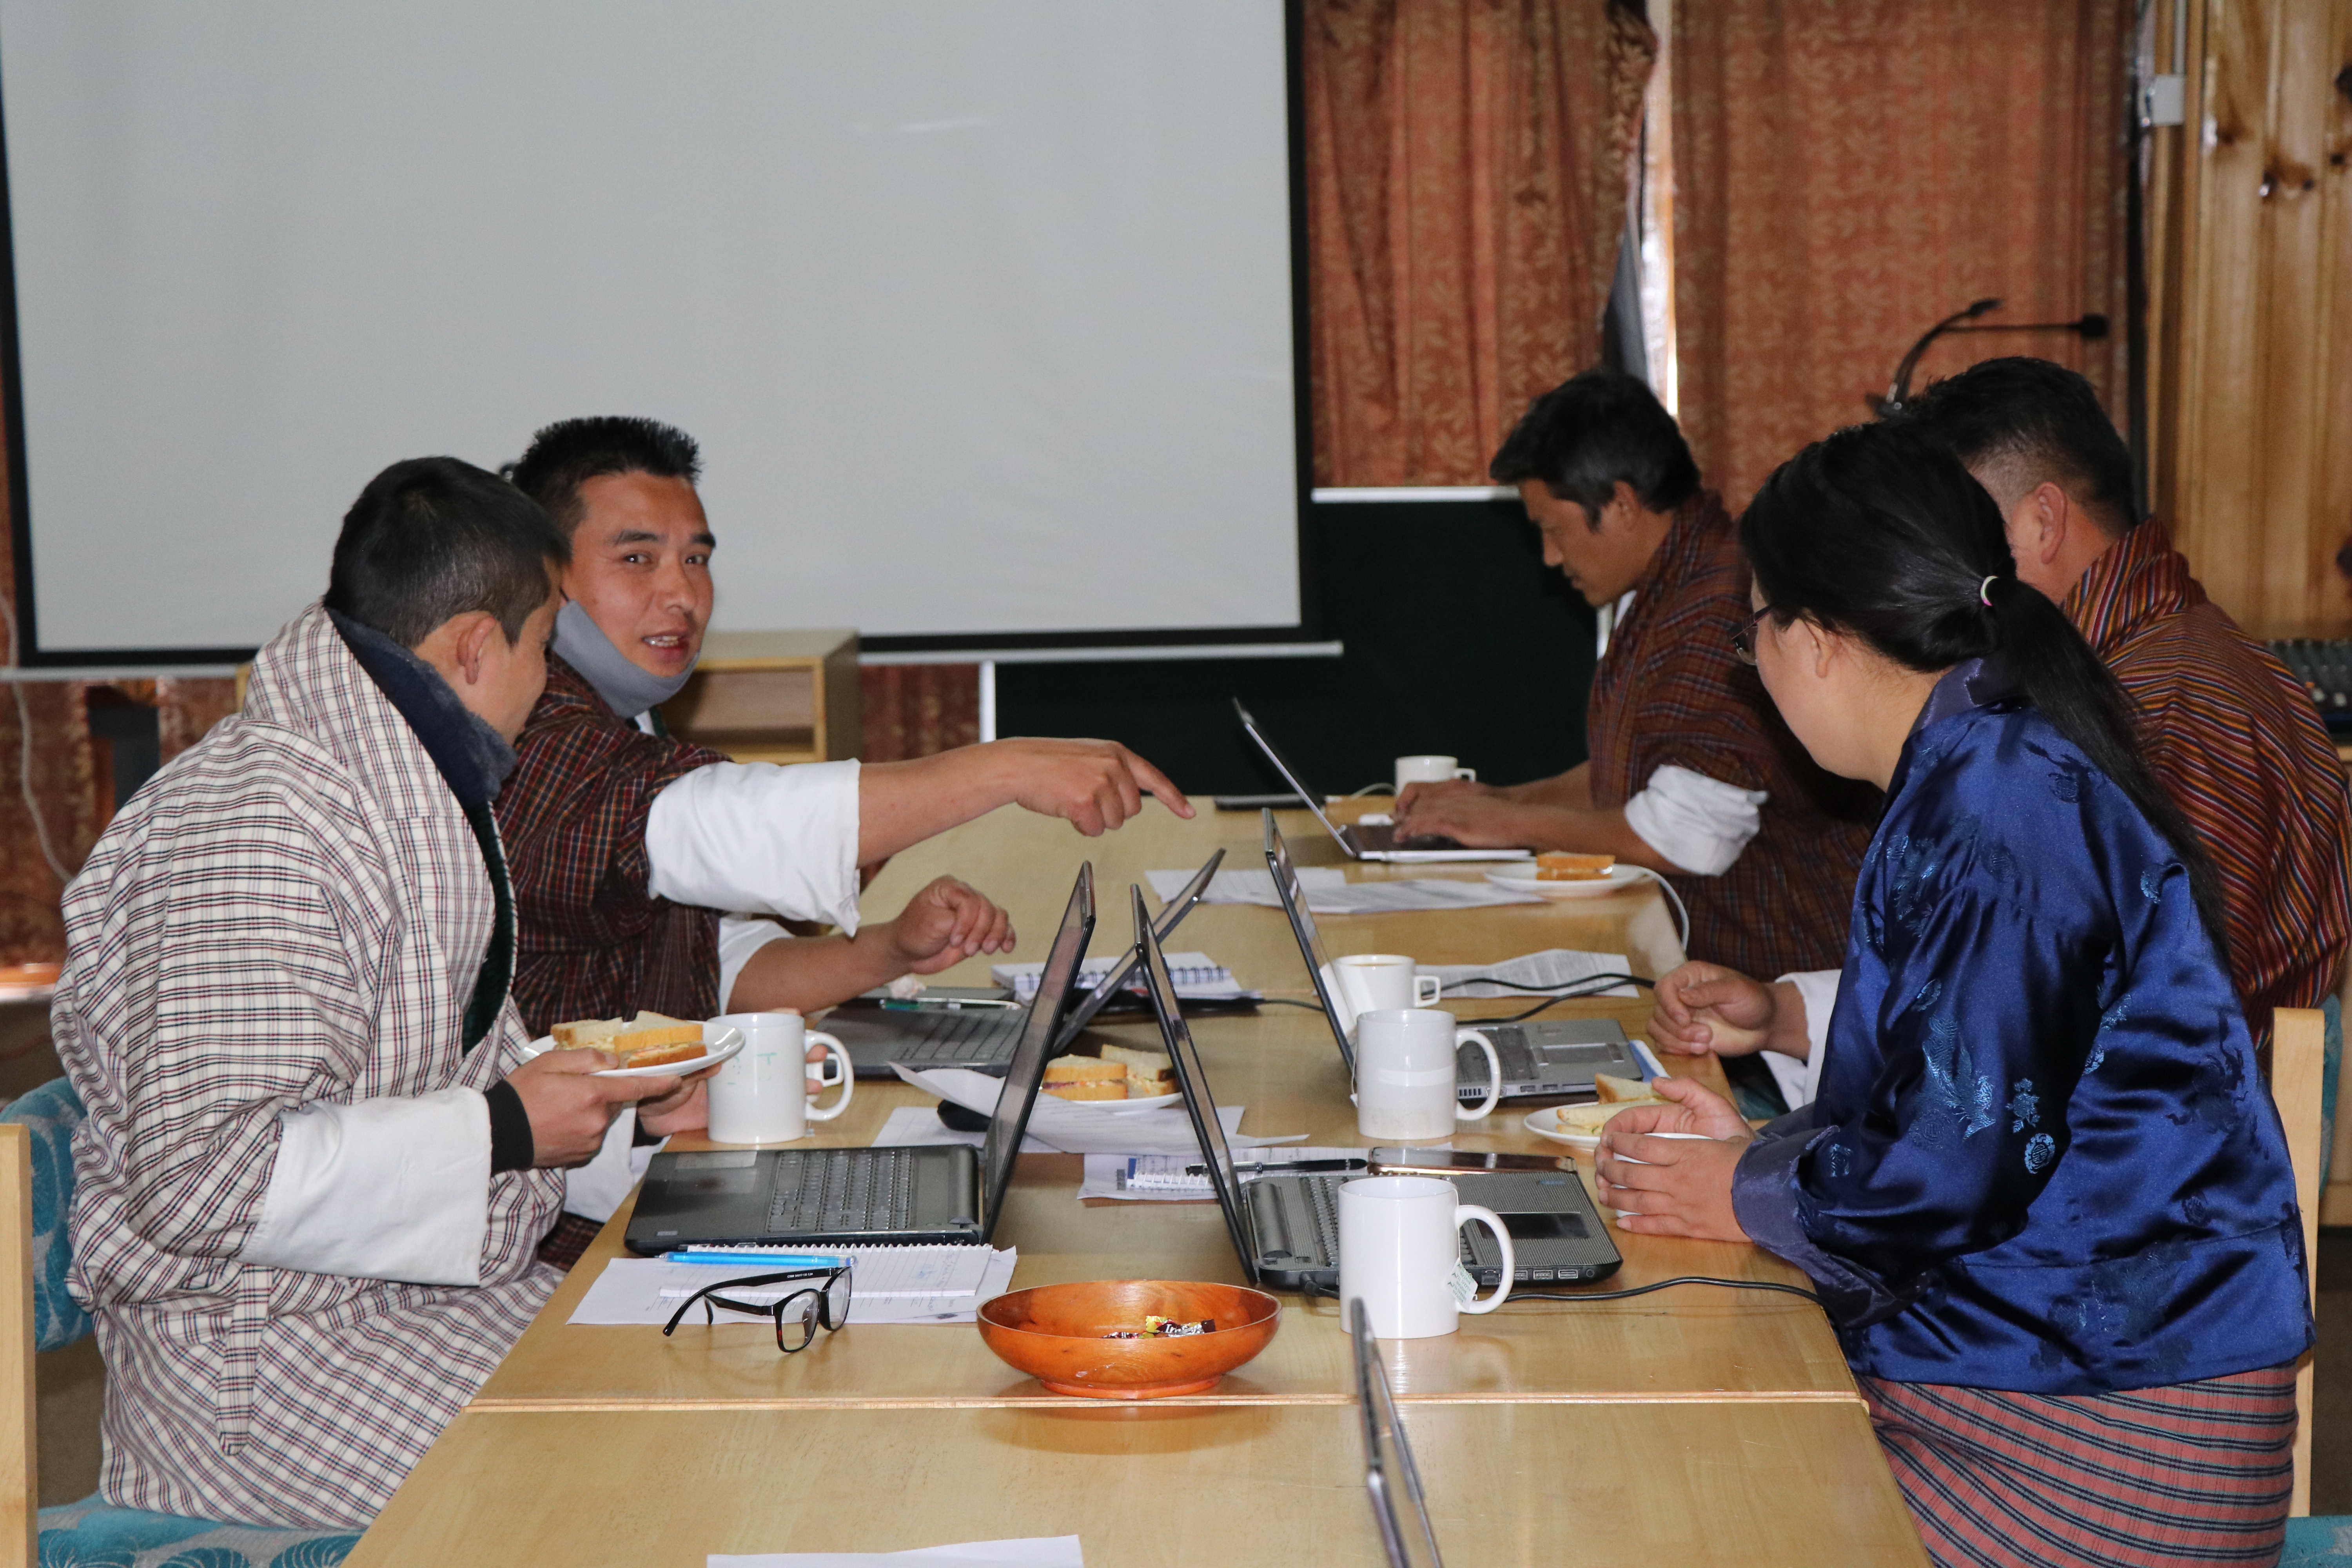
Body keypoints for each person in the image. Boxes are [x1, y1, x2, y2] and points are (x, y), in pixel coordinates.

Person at [1596, 423, 2312, 1566]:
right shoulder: (1985, 762)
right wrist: (1757, 1156)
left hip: (2107, 1437)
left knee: (1682, 1512)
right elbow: (1960, 1108)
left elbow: (1956, 1167)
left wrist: (1746, 1190)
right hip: (2048, 1376)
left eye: (1752, 631)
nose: (1751, 664)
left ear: (1816, 639)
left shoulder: (1996, 807)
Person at [54, 459, 682, 1527]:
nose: (549, 682)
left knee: (706, 1411)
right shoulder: (252, 826)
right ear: (474, 647)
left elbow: (450, 1078)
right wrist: (506, 1127)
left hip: (395, 1307)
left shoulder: (391, 785)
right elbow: (199, 1180)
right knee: (631, 1501)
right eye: (544, 646)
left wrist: (623, 1115)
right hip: (252, 1370)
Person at [1653, 358, 2352, 1105]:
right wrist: (1787, 1016)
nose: (1939, 570)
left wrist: (1775, 1167)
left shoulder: (2164, 710)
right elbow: (2008, 998)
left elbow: (2106, 1060)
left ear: (2042, 522)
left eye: (1967, 534)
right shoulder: (2114, 676)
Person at [495, 415, 1191, 1042]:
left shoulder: (627, 716)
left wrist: (890, 949)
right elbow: (719, 825)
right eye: (637, 559)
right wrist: (1009, 769)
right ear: (545, 576)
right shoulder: (529, 729)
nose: (682, 594)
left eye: (696, 559)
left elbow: (709, 966)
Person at [1389, 369, 1876, 980]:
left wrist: (1506, 824)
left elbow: (1683, 837)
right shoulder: (1673, 585)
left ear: (1621, 504)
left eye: (1553, 529)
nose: (1550, 557)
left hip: (1786, 986)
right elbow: (1644, 772)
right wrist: (1499, 800)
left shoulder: (1722, 603)